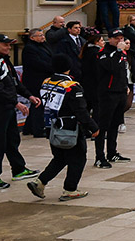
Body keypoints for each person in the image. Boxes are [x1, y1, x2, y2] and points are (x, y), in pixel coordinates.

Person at [27, 53, 98, 201]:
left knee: (60, 157)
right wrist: (93, 127)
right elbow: (80, 111)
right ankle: (70, 189)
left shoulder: (46, 82)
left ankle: (40, 181)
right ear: (69, 67)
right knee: (78, 158)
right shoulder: (72, 86)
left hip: (51, 126)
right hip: (69, 128)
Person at [0, 33, 42, 189]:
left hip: (7, 108)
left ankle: (19, 169)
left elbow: (15, 83)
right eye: (5, 44)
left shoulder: (4, 62)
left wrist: (29, 95)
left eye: (9, 44)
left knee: (12, 140)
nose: (8, 47)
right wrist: (16, 103)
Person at [93, 30, 131, 169]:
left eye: (121, 38)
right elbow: (112, 67)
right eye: (116, 38)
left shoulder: (122, 53)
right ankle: (99, 157)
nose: (119, 41)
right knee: (103, 126)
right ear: (109, 39)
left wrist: (125, 85)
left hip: (120, 91)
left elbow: (122, 70)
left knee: (115, 124)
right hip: (107, 94)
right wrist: (119, 52)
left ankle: (112, 153)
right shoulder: (103, 53)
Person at [21, 28, 54, 137]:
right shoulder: (29, 49)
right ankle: (38, 129)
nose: (42, 37)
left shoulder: (45, 45)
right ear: (32, 37)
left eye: (42, 35)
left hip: (45, 78)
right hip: (34, 79)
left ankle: (28, 128)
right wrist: (52, 68)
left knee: (37, 103)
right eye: (39, 35)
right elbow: (36, 63)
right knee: (38, 103)